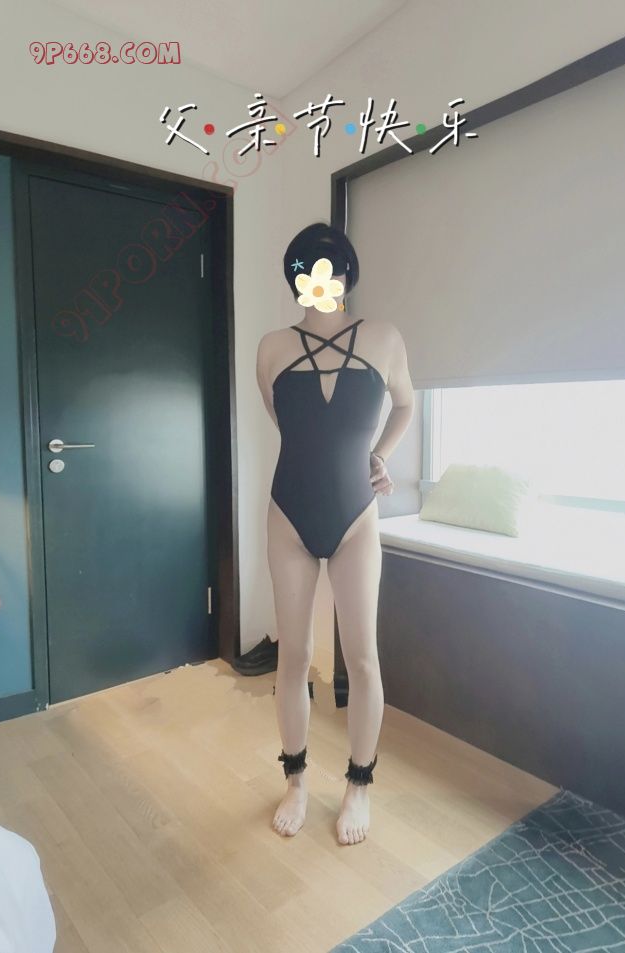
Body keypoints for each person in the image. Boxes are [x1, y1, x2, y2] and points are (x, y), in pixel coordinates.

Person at [255, 222, 414, 845]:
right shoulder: (272, 348)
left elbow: (405, 404)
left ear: (348, 273)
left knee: (362, 658)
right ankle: (295, 781)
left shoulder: (384, 337)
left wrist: (380, 456)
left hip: (355, 518)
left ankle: (359, 786)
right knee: (293, 656)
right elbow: (293, 428)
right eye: (307, 268)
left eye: (331, 266)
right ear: (294, 278)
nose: (321, 278)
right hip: (289, 514)